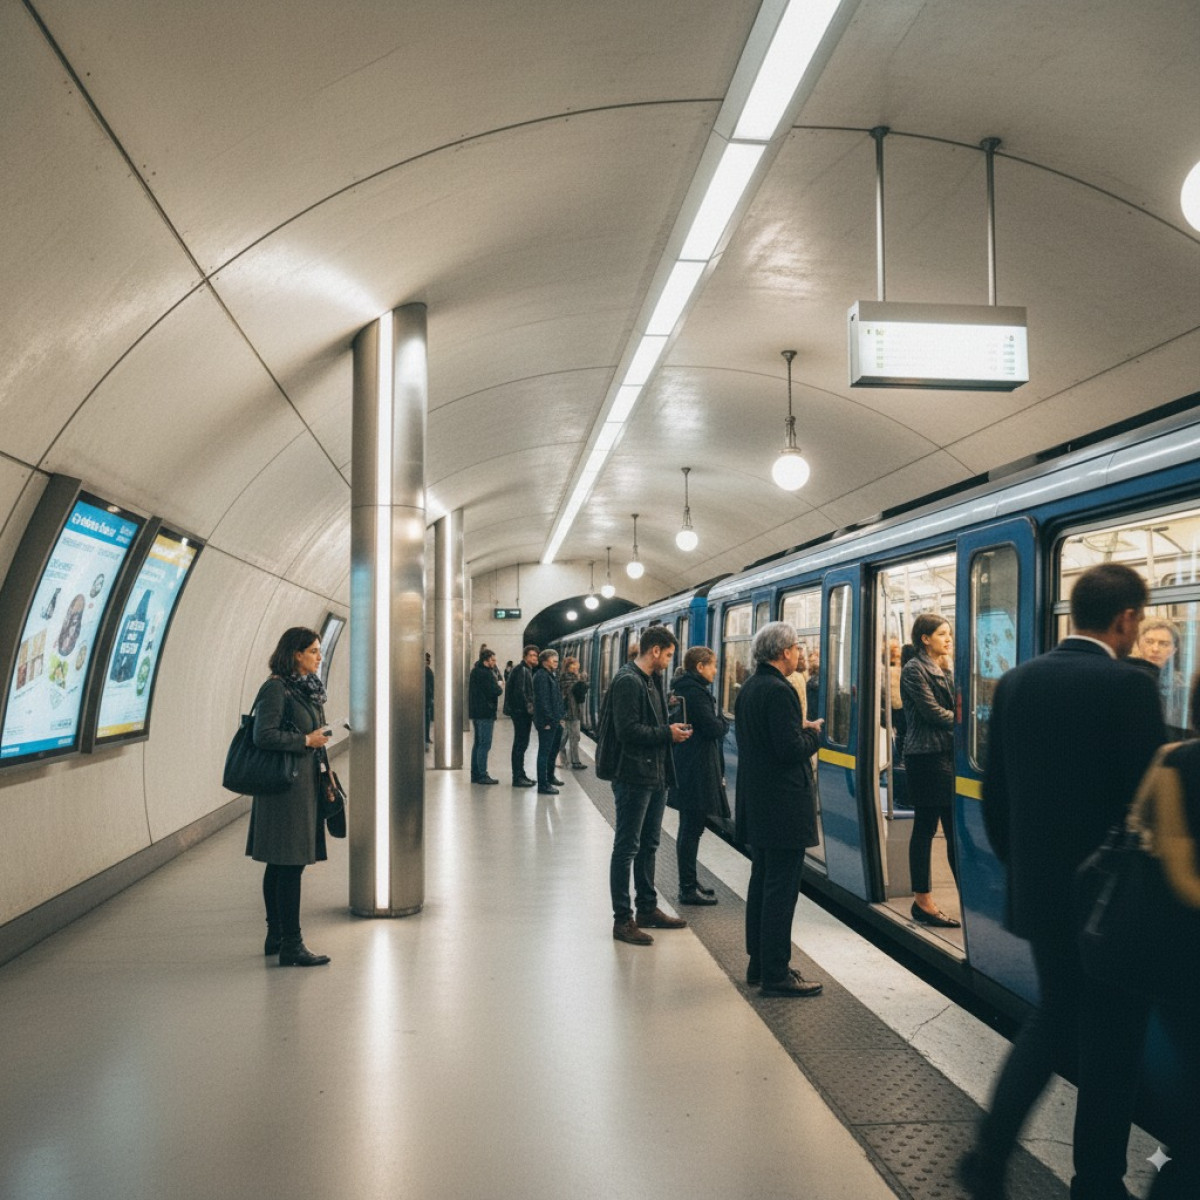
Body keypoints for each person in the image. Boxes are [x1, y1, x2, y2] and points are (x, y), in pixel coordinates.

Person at [960, 563, 1166, 1200]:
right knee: (1112, 1045)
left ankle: (989, 1155)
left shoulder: (1018, 682)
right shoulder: (1131, 686)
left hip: (1041, 897)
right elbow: (1147, 806)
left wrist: (1025, 869)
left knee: (1052, 1021)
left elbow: (995, 797)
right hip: (1111, 907)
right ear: (1126, 618)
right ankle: (1097, 1183)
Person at [1130, 675, 1200, 1200]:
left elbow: (1145, 832)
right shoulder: (1179, 764)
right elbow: (1183, 876)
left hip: (1171, 956)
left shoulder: (1170, 760)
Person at [734, 621, 825, 997]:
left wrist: (794, 727)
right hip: (783, 805)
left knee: (763, 882)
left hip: (758, 803)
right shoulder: (780, 690)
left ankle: (759, 963)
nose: (800, 654)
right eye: (797, 648)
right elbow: (789, 750)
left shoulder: (750, 689)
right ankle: (776, 974)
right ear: (784, 650)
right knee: (781, 891)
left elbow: (768, 739)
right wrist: (813, 734)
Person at [244, 626, 334, 968]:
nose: (318, 657)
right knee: (290, 865)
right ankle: (291, 943)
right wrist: (305, 742)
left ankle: (276, 934)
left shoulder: (305, 690)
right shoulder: (276, 689)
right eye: (313, 650)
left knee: (279, 864)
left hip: (301, 784)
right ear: (295, 653)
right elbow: (262, 734)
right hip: (283, 790)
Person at [596, 625, 691, 945]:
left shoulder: (650, 680)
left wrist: (669, 726)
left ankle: (647, 908)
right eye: (667, 655)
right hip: (633, 776)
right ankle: (622, 920)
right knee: (627, 847)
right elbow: (628, 731)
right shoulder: (628, 681)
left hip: (654, 775)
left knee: (649, 844)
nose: (668, 661)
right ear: (654, 651)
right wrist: (668, 734)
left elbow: (649, 724)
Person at [900, 614, 961, 928]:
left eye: (949, 634)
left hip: (946, 754)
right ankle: (922, 900)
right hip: (925, 757)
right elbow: (933, 712)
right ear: (925, 638)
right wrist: (966, 723)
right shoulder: (914, 669)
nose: (948, 639)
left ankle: (966, 896)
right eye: (941, 634)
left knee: (953, 830)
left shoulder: (944, 666)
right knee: (926, 828)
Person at [670, 646, 729, 906]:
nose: (716, 671)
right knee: (691, 829)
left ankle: (690, 882)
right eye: (713, 665)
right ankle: (687, 888)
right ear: (700, 667)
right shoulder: (695, 692)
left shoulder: (686, 689)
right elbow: (714, 727)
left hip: (690, 766)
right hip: (695, 769)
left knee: (691, 828)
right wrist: (722, 722)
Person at [1134, 618, 1188, 735]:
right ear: (1139, 644)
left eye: (1164, 644)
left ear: (1174, 650)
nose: (1155, 649)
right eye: (1149, 641)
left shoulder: (1181, 686)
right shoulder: (1127, 678)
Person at [502, 644, 538, 787]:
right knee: (520, 744)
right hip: (521, 713)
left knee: (521, 744)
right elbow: (522, 693)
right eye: (531, 655)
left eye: (536, 655)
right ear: (525, 657)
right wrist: (530, 711)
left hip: (520, 712)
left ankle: (521, 774)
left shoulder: (524, 669)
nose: (534, 658)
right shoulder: (523, 670)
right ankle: (517, 777)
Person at [533, 648, 566, 794]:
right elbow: (543, 701)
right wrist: (549, 720)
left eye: (557, 661)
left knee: (552, 751)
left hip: (554, 720)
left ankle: (550, 777)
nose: (557, 663)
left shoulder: (550, 675)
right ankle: (543, 784)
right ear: (545, 661)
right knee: (544, 753)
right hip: (547, 722)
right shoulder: (541, 676)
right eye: (554, 660)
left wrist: (558, 718)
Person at [468, 648, 503, 784]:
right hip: (485, 713)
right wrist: (499, 686)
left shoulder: (475, 671)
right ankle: (482, 774)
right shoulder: (486, 674)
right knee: (485, 744)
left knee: (477, 744)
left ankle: (475, 773)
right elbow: (495, 691)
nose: (495, 662)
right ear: (486, 660)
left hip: (477, 713)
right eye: (493, 660)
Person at [558, 655, 588, 770]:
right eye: (574, 665)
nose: (577, 666)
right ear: (568, 667)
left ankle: (562, 757)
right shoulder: (567, 678)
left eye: (577, 664)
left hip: (573, 711)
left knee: (565, 736)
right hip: (570, 712)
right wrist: (582, 681)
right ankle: (575, 762)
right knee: (575, 737)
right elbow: (573, 690)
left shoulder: (573, 678)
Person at [424, 652, 434, 745]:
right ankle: (426, 737)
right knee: (426, 719)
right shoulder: (428, 671)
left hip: (426, 699)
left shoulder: (428, 671)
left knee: (427, 719)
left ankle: (426, 737)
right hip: (427, 699)